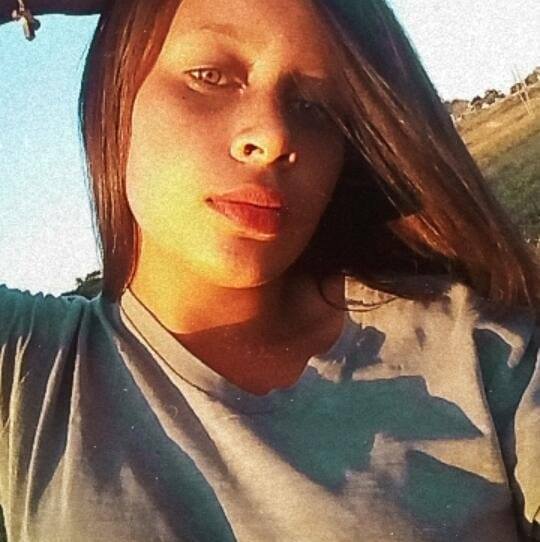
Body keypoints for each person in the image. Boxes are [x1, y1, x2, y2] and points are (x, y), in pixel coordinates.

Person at [0, 0, 538, 540]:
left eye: (314, 107)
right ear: (115, 94)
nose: (276, 136)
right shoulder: (30, 371)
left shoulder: (477, 350)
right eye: (211, 76)